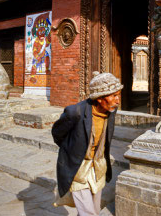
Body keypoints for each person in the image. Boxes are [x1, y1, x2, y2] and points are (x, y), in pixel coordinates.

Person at [52, 71, 123, 215]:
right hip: (78, 167)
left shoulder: (110, 112)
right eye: (113, 95)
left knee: (94, 208)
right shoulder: (75, 112)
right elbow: (57, 134)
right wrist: (73, 150)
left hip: (97, 166)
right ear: (99, 98)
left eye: (118, 95)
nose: (118, 100)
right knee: (88, 213)